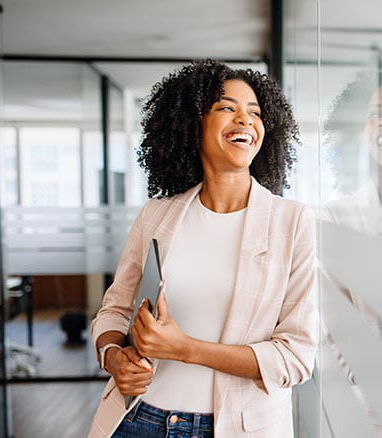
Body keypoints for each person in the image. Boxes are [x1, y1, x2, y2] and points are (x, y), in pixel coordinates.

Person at [87, 60, 318, 438]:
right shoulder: (157, 215)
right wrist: (113, 357)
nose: (245, 120)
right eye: (227, 107)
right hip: (142, 420)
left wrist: (185, 348)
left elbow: (295, 358)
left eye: (255, 112)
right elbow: (114, 310)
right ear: (192, 126)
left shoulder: (292, 222)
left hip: (238, 428)